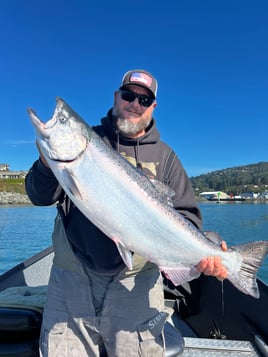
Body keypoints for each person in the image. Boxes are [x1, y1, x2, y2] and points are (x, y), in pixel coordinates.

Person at [25, 69, 227, 357]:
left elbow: (189, 218)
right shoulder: (89, 143)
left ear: (153, 107)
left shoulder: (167, 158)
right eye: (129, 95)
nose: (135, 103)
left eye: (144, 100)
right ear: (116, 96)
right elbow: (39, 196)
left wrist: (206, 256)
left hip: (136, 282)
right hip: (72, 277)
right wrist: (46, 164)